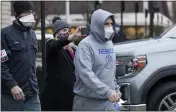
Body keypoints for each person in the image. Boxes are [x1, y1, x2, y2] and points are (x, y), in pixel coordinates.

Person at [73, 9, 122, 111]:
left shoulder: (109, 43)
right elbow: (86, 74)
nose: (110, 27)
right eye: (106, 24)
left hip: (109, 102)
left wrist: (116, 89)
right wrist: (107, 91)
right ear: (97, 25)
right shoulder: (85, 45)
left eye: (111, 24)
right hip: (88, 103)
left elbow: (110, 70)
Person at [1, 1, 41, 111]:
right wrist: (12, 85)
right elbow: (1, 64)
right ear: (17, 14)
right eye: (26, 12)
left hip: (32, 93)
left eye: (32, 12)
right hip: (11, 94)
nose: (30, 15)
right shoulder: (4, 34)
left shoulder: (32, 34)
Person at [41, 18, 85, 111]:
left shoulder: (70, 49)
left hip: (69, 94)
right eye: (64, 30)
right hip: (55, 96)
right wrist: (70, 38)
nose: (67, 32)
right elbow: (56, 45)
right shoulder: (50, 44)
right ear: (56, 32)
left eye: (69, 31)